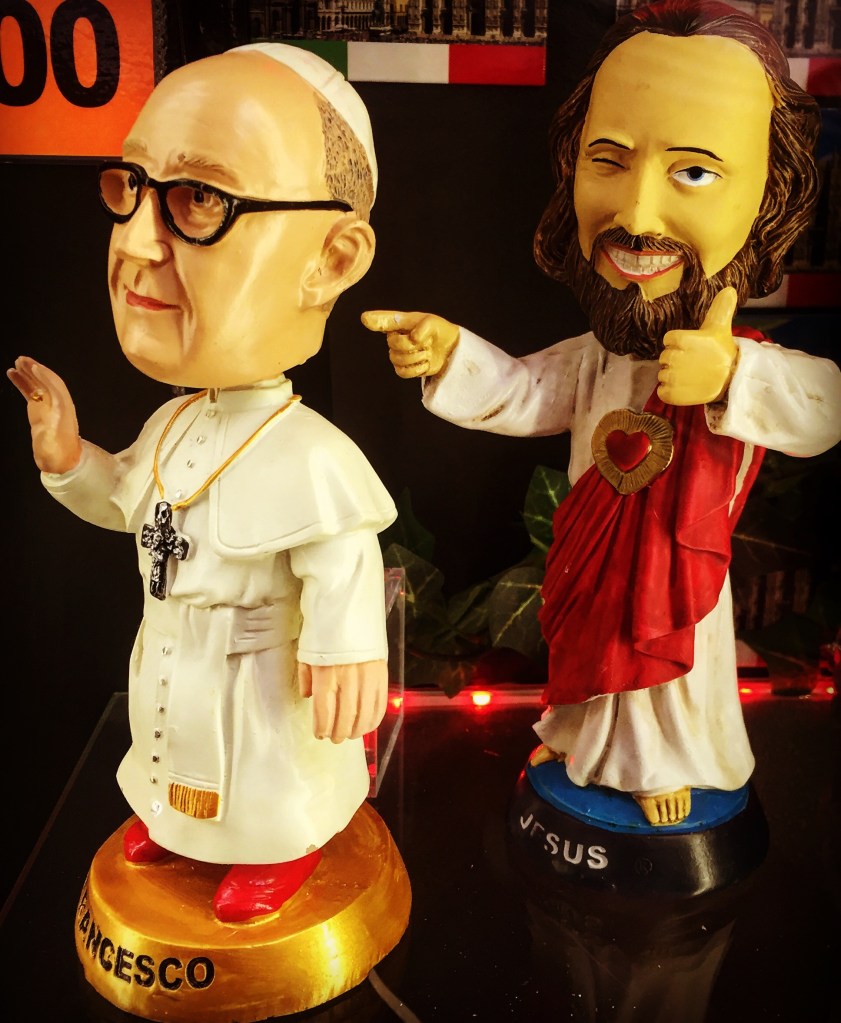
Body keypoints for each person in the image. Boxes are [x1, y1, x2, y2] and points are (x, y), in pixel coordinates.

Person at [363, 0, 841, 827]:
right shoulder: (599, 354)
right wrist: (449, 353)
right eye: (608, 161)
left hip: (680, 589)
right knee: (587, 642)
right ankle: (584, 743)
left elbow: (822, 407)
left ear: (770, 194)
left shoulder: (746, 359)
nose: (637, 215)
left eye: (693, 172)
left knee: (666, 653)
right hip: (587, 572)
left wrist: (729, 373)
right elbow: (524, 391)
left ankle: (668, 761)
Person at [9, 43, 397, 922]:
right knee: (167, 747)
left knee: (263, 765)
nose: (136, 242)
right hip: (173, 652)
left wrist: (343, 647)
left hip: (261, 675)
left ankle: (279, 845)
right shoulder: (176, 422)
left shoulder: (312, 455)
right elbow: (131, 502)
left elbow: (342, 559)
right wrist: (69, 457)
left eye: (199, 200)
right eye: (131, 188)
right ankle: (176, 824)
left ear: (333, 258)